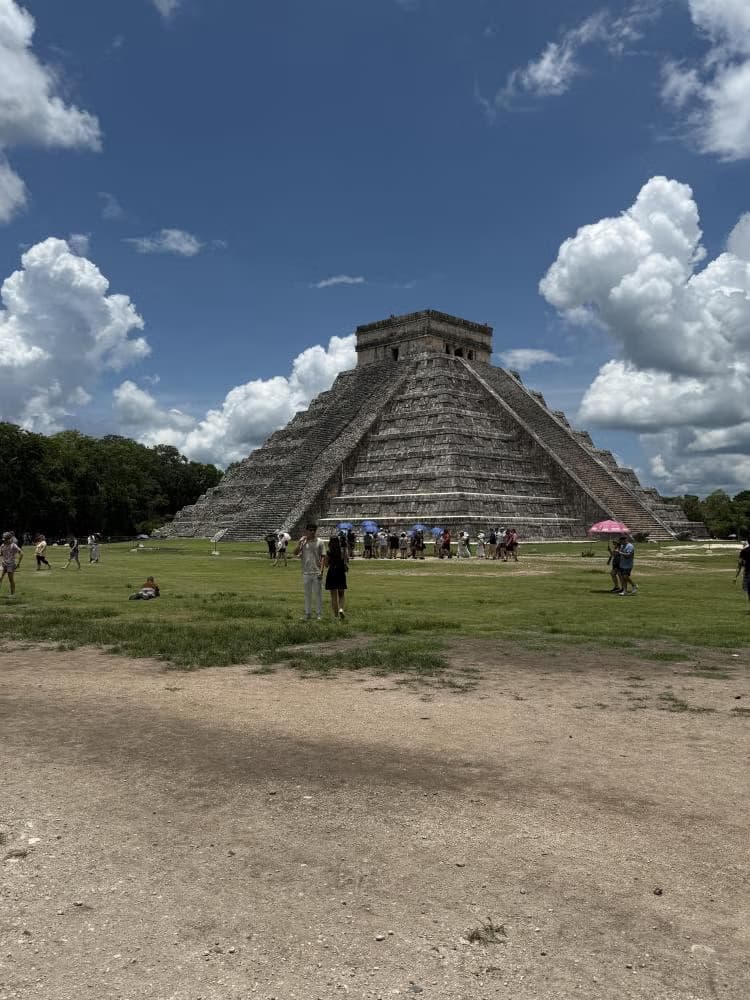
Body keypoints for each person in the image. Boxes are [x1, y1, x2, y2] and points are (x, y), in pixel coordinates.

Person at [294, 523, 326, 621]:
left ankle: (319, 614)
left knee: (318, 594)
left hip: (317, 572)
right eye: (310, 530)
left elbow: (323, 557)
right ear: (306, 531)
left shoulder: (320, 542)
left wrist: (321, 571)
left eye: (314, 530)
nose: (312, 532)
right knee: (307, 594)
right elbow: (295, 553)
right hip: (306, 572)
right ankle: (307, 613)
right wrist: (299, 543)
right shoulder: (303, 542)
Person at [325, 534, 349, 620]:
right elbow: (346, 562)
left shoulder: (329, 551)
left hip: (332, 573)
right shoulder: (342, 551)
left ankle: (335, 615)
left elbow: (326, 565)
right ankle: (341, 609)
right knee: (341, 594)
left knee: (333, 596)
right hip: (340, 573)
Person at [0, 531, 23, 596]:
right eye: (4, 539)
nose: (4, 541)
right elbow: (1, 554)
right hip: (3, 564)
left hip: (10, 565)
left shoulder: (13, 545)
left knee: (11, 580)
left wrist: (18, 563)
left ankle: (12, 594)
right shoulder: (2, 545)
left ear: (9, 539)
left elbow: (21, 553)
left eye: (6, 539)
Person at [735, 541, 750, 605]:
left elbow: (740, 564)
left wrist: (736, 576)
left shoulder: (744, 551)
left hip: (748, 573)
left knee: (749, 591)